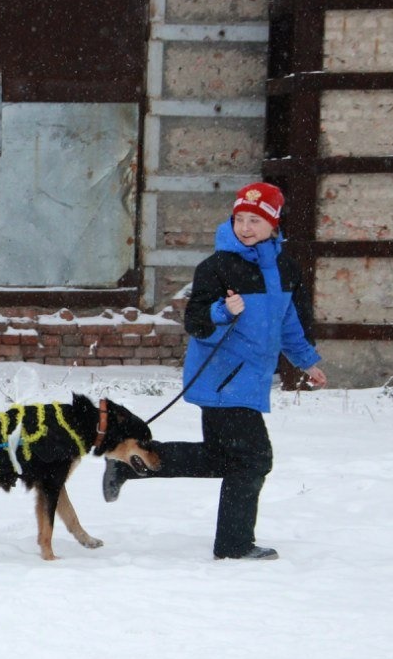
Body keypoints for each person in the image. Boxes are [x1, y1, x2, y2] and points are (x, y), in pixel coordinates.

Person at [102, 182, 326, 560]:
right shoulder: (217, 268)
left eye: (255, 220)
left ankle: (132, 459)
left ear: (274, 223)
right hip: (223, 381)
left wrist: (306, 360)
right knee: (254, 459)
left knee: (222, 459)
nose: (246, 227)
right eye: (240, 219)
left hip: (249, 381)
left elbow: (288, 323)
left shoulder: (285, 268)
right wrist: (222, 312)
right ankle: (234, 545)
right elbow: (196, 323)